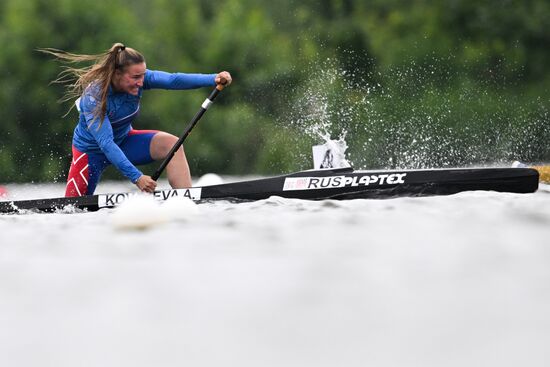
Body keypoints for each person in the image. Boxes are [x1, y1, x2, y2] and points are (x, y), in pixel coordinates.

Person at [41, 43, 231, 197]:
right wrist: (137, 178)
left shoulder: (139, 79)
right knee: (71, 210)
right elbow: (106, 144)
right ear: (117, 74)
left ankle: (187, 198)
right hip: (91, 154)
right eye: (136, 77)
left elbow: (173, 80)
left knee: (171, 144)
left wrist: (213, 78)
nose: (142, 81)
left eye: (143, 75)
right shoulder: (94, 97)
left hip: (125, 141)